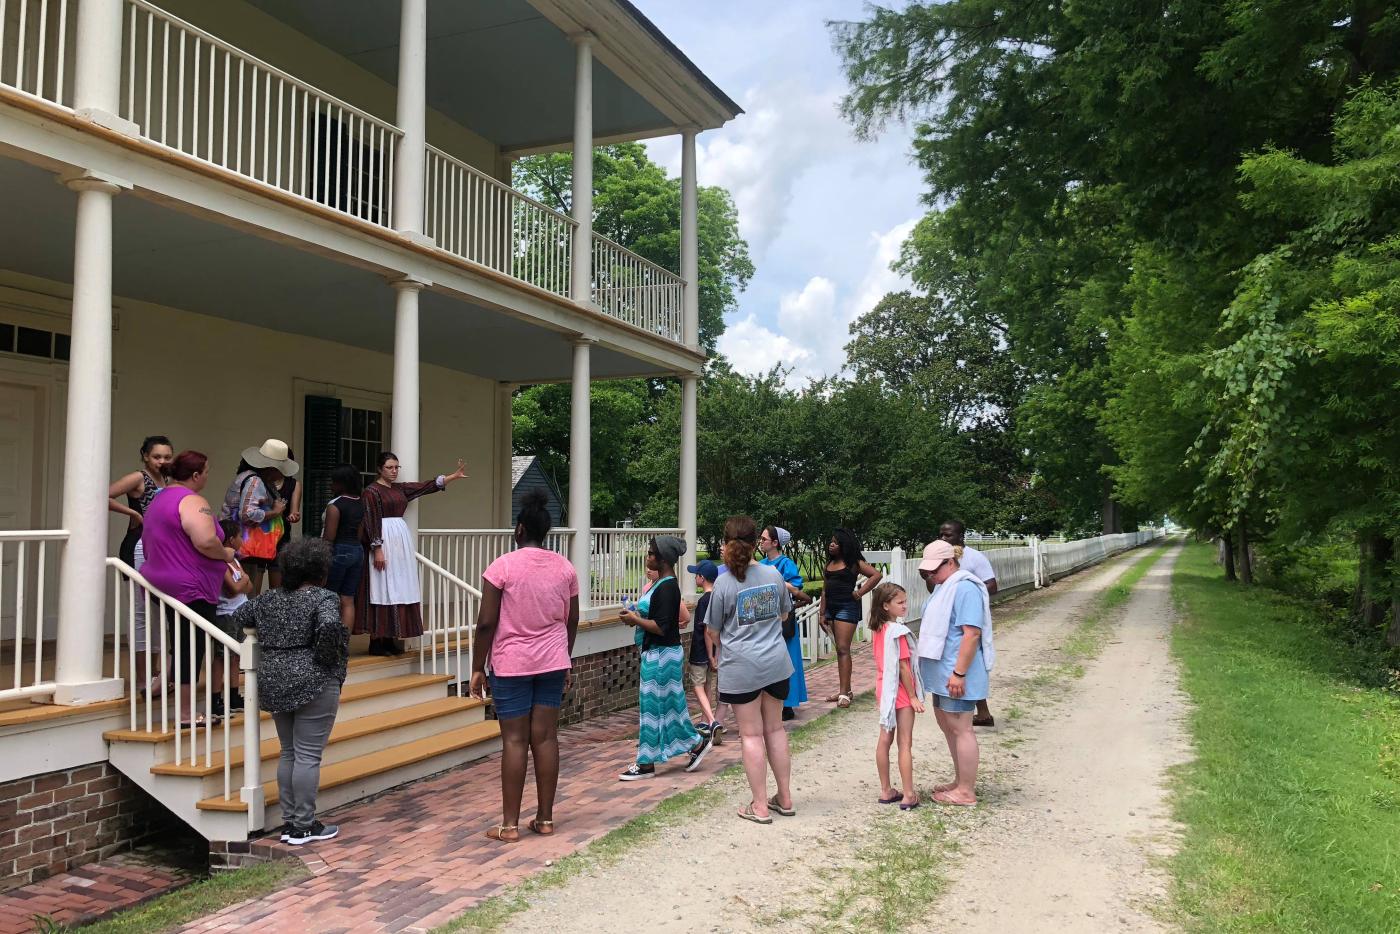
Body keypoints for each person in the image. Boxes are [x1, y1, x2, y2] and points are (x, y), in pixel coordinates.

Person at [470, 490, 580, 842]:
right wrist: (565, 659)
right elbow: (571, 619)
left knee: (515, 741)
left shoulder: (502, 566)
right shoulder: (564, 568)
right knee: (546, 738)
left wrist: (476, 666)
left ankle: (509, 826)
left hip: (511, 663)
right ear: (545, 532)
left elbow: (486, 622)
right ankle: (546, 819)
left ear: (519, 529)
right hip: (551, 662)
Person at [233, 538, 348, 845]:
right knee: (308, 755)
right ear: (319, 570)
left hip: (274, 677)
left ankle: (289, 823)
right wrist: (325, 663)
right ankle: (305, 825)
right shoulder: (324, 598)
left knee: (290, 753)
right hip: (313, 679)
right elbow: (328, 628)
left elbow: (239, 618)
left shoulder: (269, 599)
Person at [705, 516, 795, 824]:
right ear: (757, 541)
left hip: (742, 667)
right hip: (776, 663)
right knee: (776, 729)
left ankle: (759, 805)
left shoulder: (723, 584)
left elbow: (714, 631)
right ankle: (784, 797)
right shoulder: (772, 574)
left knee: (752, 736)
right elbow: (785, 615)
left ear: (726, 543)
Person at [139, 450, 235, 727]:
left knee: (179, 639)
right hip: (190, 586)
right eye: (206, 472)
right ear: (195, 475)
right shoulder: (192, 501)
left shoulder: (159, 498)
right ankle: (185, 714)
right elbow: (205, 541)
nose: (206, 477)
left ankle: (160, 686)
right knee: (191, 648)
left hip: (162, 580)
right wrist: (227, 554)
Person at [618, 535, 712, 780]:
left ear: (662, 559)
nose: (648, 557)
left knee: (651, 708)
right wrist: (637, 618)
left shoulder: (668, 587)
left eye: (651, 553)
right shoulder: (661, 584)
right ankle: (695, 743)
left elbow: (662, 627)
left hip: (662, 654)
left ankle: (646, 762)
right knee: (669, 707)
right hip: (659, 652)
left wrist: (634, 619)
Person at [356, 453, 469, 656]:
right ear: (380, 469)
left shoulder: (399, 489)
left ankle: (391, 638)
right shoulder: (371, 491)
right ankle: (377, 640)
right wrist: (377, 547)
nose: (394, 471)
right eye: (390, 467)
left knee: (398, 587)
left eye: (396, 467)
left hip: (399, 542)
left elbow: (425, 486)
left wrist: (452, 477)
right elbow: (371, 518)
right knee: (382, 587)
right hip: (383, 540)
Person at [915, 540, 995, 807]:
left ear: (950, 562)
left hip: (955, 672)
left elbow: (971, 634)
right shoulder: (944, 586)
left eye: (933, 571)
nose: (930, 577)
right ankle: (961, 780)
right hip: (942, 671)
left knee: (962, 728)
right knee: (949, 727)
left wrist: (959, 673)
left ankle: (966, 791)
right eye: (926, 573)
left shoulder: (965, 588)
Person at [869, 581, 924, 810]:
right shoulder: (898, 632)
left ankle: (885, 789)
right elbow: (903, 667)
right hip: (901, 691)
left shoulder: (878, 630)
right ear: (885, 606)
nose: (905, 605)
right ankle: (908, 794)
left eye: (905, 601)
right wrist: (912, 697)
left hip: (883, 688)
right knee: (905, 743)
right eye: (899, 602)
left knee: (884, 739)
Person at [939, 520, 999, 726]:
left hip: (970, 619)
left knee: (972, 661)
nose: (944, 539)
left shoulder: (974, 557)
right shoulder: (943, 559)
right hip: (948, 620)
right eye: (941, 535)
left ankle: (977, 710)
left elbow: (992, 585)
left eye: (948, 535)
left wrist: (966, 592)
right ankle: (980, 712)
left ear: (960, 537)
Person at [221, 440, 298, 595]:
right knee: (247, 595)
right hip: (245, 546)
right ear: (271, 468)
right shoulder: (255, 481)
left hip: (237, 544)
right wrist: (275, 512)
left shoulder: (248, 477)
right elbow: (247, 514)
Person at [820, 528, 883, 708]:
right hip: (831, 609)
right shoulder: (829, 564)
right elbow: (824, 590)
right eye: (831, 541)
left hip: (846, 608)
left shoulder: (854, 563)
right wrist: (822, 613)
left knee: (843, 649)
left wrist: (859, 593)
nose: (831, 544)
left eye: (836, 542)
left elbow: (876, 575)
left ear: (844, 545)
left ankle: (844, 694)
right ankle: (845, 691)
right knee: (840, 651)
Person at [758, 525, 813, 722]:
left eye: (764, 539)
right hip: (766, 619)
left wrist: (775, 579)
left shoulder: (786, 564)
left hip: (783, 619)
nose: (761, 541)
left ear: (775, 543)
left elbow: (795, 587)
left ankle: (788, 704)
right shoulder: (761, 563)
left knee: (788, 659)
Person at [108, 435, 173, 566]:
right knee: (138, 587)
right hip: (138, 543)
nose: (162, 461)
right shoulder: (139, 478)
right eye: (157, 457)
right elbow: (102, 498)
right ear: (145, 456)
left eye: (167, 457)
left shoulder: (166, 480)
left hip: (157, 546)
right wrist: (134, 514)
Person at [211, 519, 253, 716]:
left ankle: (234, 695)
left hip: (240, 612)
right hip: (226, 615)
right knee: (221, 657)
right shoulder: (221, 562)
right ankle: (215, 697)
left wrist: (244, 581)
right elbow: (234, 589)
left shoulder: (235, 560)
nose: (243, 540)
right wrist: (243, 580)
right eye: (240, 536)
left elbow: (249, 586)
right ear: (230, 539)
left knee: (236, 655)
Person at [320, 465, 365, 635]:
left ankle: (329, 640)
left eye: (334, 482)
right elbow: (360, 534)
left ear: (342, 483)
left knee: (329, 596)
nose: (331, 485)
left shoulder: (335, 505)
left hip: (339, 550)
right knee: (347, 598)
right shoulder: (361, 504)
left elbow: (329, 537)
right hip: (357, 550)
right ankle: (343, 644)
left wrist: (321, 559)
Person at [685, 559, 722, 740]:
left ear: (702, 578)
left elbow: (707, 630)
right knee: (708, 685)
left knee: (697, 686)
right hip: (715, 651)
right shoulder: (717, 597)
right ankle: (705, 721)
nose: (694, 578)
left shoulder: (703, 601)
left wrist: (710, 655)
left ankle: (713, 721)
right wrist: (715, 654)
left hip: (701, 651)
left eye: (696, 575)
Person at [267, 448, 303, 590]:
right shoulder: (261, 481)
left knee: (277, 587)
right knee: (253, 584)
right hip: (260, 536)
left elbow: (294, 511)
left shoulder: (294, 484)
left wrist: (293, 516)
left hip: (280, 536)